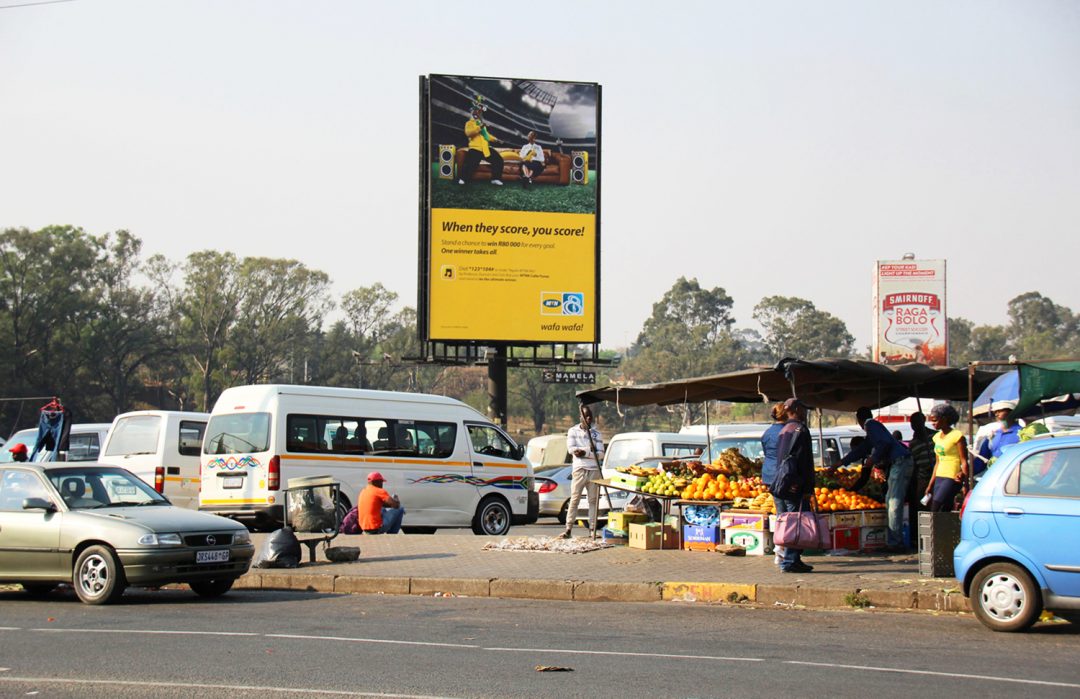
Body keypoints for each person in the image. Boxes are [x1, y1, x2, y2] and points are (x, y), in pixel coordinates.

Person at [832, 407, 914, 552]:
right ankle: (895, 540)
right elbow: (861, 449)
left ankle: (896, 543)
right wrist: (840, 463)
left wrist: (873, 458)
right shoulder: (873, 430)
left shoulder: (871, 425)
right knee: (891, 500)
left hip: (900, 462)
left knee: (894, 502)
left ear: (859, 419)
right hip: (900, 463)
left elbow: (885, 444)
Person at [773, 398, 815, 574]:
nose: (806, 413)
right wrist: (808, 488)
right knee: (795, 522)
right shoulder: (800, 430)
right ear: (796, 409)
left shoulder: (784, 430)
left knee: (791, 520)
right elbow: (805, 462)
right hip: (796, 483)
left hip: (784, 481)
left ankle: (793, 559)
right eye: (804, 409)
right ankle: (790, 560)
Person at [560, 404, 605, 539]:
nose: (588, 419)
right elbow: (572, 449)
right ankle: (568, 528)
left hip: (594, 470)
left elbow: (601, 453)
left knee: (593, 501)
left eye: (590, 416)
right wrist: (590, 451)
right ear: (581, 417)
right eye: (586, 416)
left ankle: (592, 529)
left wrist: (584, 452)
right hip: (579, 470)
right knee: (574, 499)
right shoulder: (573, 431)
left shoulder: (596, 433)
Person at [925, 404, 968, 512]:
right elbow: (937, 462)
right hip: (939, 475)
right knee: (945, 509)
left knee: (935, 507)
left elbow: (964, 460)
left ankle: (934, 529)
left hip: (952, 476)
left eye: (935, 420)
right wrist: (930, 484)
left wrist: (965, 483)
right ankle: (944, 529)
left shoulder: (957, 435)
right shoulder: (936, 437)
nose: (932, 423)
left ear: (944, 419)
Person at [759, 402, 787, 566]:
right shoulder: (787, 432)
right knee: (786, 514)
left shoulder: (768, 432)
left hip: (770, 475)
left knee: (779, 512)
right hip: (783, 474)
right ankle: (783, 548)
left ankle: (780, 547)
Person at [458, 103, 504, 186]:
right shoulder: (469, 123)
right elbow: (469, 133)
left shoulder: (481, 124)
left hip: (485, 148)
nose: (478, 114)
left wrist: (496, 140)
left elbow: (487, 135)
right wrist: (480, 127)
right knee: (471, 164)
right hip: (475, 148)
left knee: (498, 160)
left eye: (479, 113)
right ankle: (463, 178)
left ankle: (495, 179)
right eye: (476, 113)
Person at [977, 406, 1021, 471]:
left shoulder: (1021, 433)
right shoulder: (993, 434)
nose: (996, 414)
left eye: (1000, 411)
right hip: (995, 474)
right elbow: (981, 460)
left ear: (1011, 412)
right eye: (995, 412)